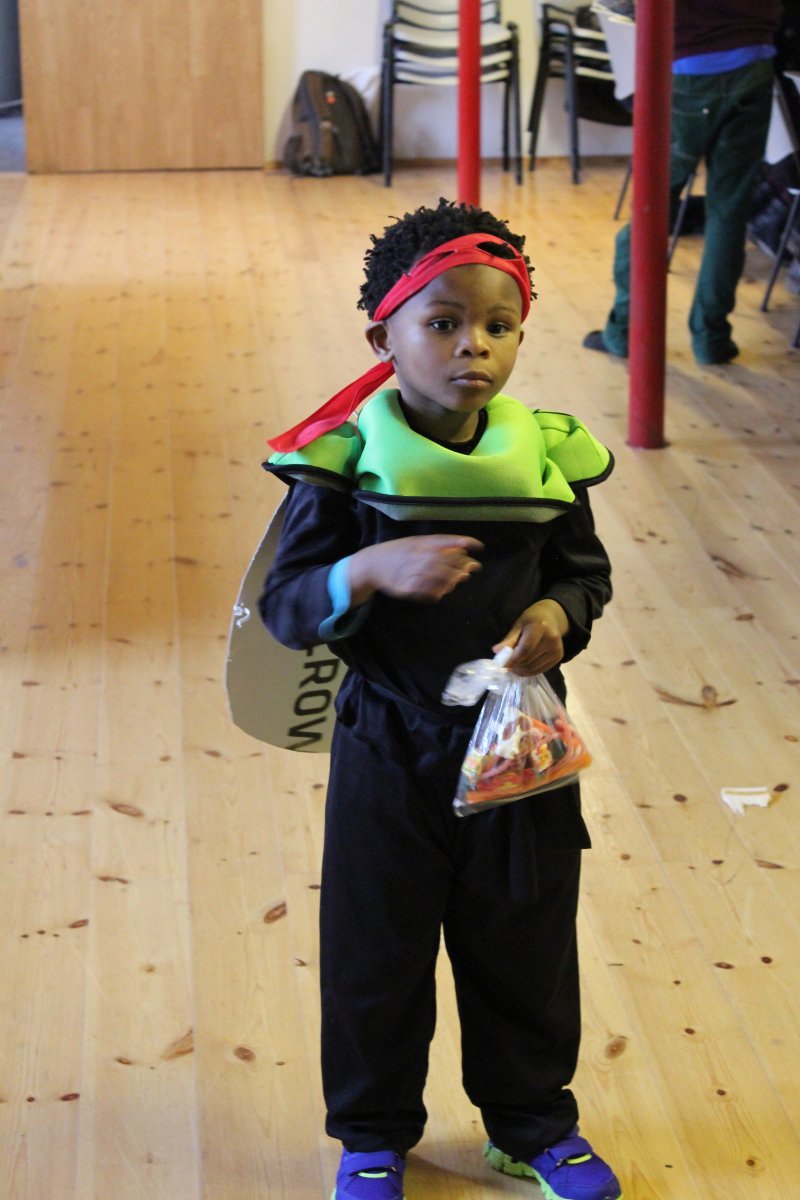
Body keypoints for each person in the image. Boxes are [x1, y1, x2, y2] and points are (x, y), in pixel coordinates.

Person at [259, 198, 620, 1200]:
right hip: (389, 742)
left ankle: (531, 1124)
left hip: (520, 742)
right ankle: (372, 1135)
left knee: (527, 939)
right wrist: (370, 570)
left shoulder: (546, 453)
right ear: (384, 337)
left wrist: (555, 612)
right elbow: (286, 607)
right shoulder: (343, 466)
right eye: (444, 322)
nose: (475, 346)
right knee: (376, 946)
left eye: (499, 325)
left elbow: (585, 577)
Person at [584, 0, 783, 365]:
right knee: (729, 213)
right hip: (755, 64)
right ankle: (712, 339)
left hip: (691, 72)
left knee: (651, 207)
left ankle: (624, 332)